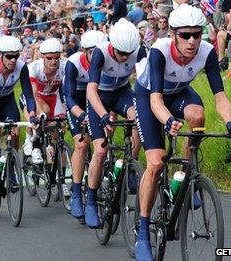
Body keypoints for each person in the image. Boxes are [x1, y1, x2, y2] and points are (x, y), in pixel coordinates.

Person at [133, 5, 231, 260]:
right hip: (150, 97)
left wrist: (230, 122)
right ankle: (142, 229)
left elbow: (220, 96)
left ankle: (183, 176)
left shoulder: (206, 52)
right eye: (185, 35)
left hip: (179, 93)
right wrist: (168, 121)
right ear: (173, 34)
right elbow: (155, 102)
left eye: (196, 34)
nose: (192, 40)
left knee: (197, 115)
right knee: (155, 163)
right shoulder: (160, 51)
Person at [85, 18, 145, 228]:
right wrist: (102, 114)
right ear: (112, 45)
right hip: (99, 96)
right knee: (100, 151)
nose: (124, 58)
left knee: (138, 119)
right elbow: (90, 90)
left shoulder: (138, 50)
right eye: (120, 53)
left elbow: (146, 84)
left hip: (122, 93)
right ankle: (91, 200)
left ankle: (131, 164)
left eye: (128, 54)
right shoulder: (100, 52)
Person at [0, 36, 37, 195]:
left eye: (16, 56)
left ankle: (11, 169)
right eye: (9, 56)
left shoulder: (21, 67)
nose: (13, 60)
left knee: (16, 131)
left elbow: (29, 95)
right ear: (0, 55)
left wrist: (32, 115)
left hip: (7, 100)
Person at [62, 30, 107, 220]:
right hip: (76, 100)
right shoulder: (73, 63)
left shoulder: (106, 62)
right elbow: (69, 97)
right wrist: (80, 114)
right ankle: (75, 192)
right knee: (81, 144)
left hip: (95, 98)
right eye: (92, 52)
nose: (96, 56)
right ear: (84, 51)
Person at [21, 38, 66, 164]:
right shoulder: (34, 67)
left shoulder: (65, 66)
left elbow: (67, 92)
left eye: (57, 58)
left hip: (53, 96)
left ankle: (58, 176)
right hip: (35, 96)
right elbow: (33, 95)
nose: (54, 61)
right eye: (50, 58)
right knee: (43, 113)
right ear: (42, 56)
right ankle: (31, 139)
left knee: (60, 130)